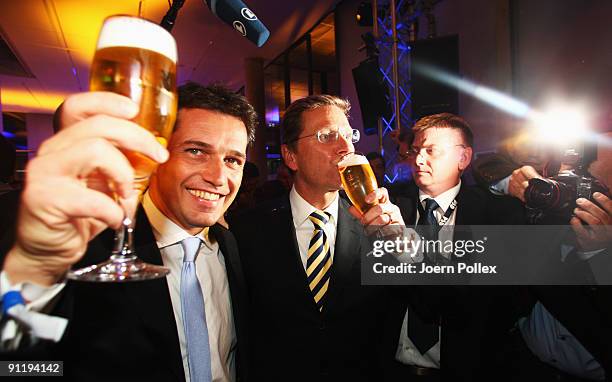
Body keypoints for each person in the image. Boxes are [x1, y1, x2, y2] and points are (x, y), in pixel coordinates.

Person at [0, 82, 257, 382]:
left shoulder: (230, 245)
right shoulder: (88, 248)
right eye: (196, 151)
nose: (218, 177)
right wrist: (34, 269)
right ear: (154, 156)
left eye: (232, 160)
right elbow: (14, 365)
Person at [229, 95, 405, 381]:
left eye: (350, 137)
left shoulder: (382, 225)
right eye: (327, 136)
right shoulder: (245, 230)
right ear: (290, 157)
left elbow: (428, 305)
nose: (346, 147)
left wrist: (405, 249)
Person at [387, 113, 526, 381]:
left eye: (431, 151)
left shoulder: (498, 215)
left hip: (469, 368)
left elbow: (498, 302)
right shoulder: (391, 207)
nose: (418, 159)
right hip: (391, 368)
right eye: (415, 151)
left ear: (463, 158)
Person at [473, 132, 612, 381]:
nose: (566, 184)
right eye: (565, 173)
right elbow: (487, 164)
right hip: (525, 363)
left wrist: (602, 253)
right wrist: (514, 183)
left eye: (584, 181)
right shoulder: (542, 212)